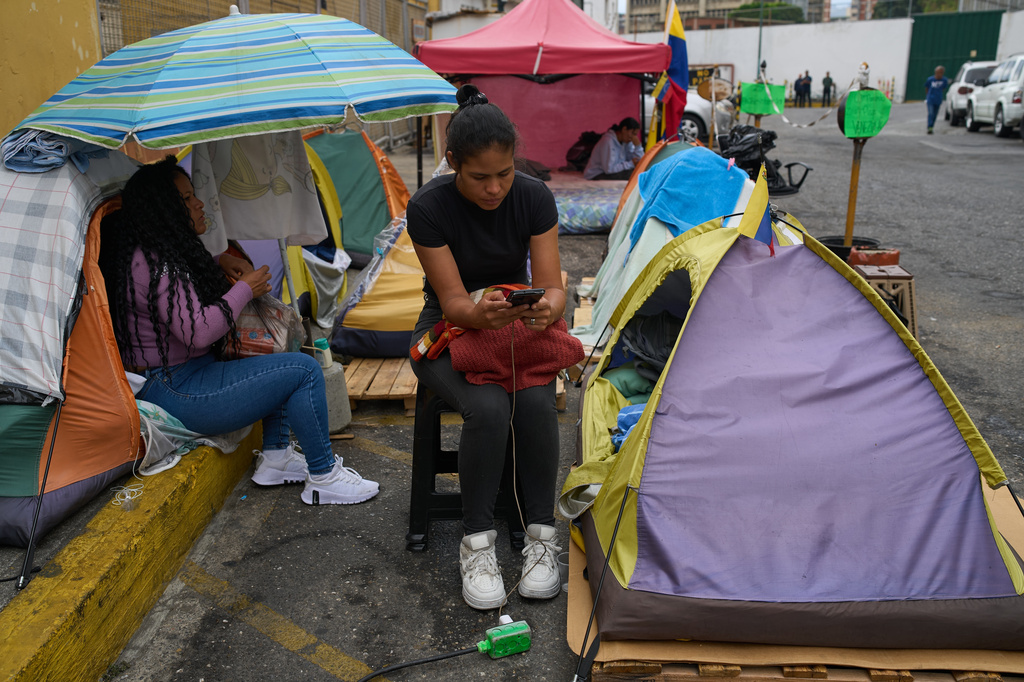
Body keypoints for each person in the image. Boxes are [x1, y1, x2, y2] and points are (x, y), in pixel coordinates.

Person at [105, 156, 379, 506]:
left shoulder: (157, 251)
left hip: (182, 378)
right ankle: (324, 477)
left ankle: (277, 458)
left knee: (275, 357)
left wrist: (219, 261)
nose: (199, 203)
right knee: (304, 370)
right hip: (175, 389)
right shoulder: (156, 263)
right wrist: (244, 289)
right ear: (163, 209)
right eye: (187, 199)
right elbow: (199, 333)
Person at [406, 84, 568, 610]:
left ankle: (541, 537)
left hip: (515, 324)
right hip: (448, 329)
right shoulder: (428, 208)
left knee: (540, 400)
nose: (496, 188)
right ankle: (477, 543)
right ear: (452, 162)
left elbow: (552, 285)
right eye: (480, 177)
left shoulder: (534, 196)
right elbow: (452, 302)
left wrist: (549, 307)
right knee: (489, 406)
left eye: (504, 173)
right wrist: (480, 313)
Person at [925, 65, 950, 134]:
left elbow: (943, 88)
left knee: (935, 114)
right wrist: (928, 96)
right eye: (938, 72)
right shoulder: (930, 79)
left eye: (941, 72)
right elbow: (927, 88)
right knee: (931, 113)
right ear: (935, 72)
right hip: (930, 99)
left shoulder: (944, 80)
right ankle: (929, 127)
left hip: (938, 99)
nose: (940, 74)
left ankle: (932, 126)